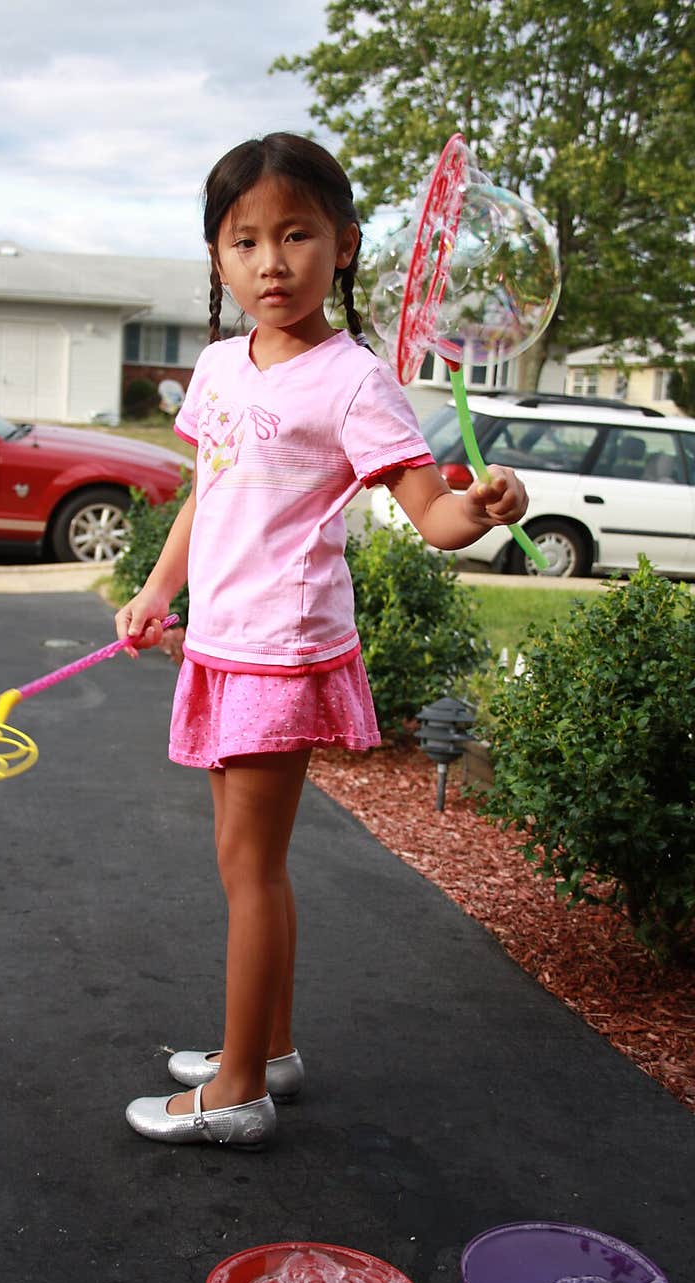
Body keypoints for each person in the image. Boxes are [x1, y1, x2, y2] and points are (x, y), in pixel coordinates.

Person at [114, 132, 528, 1150]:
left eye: (295, 234)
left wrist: (487, 509)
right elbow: (206, 495)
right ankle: (273, 1049)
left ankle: (239, 1089)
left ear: (341, 246)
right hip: (223, 641)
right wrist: (156, 590)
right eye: (244, 239)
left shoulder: (354, 382)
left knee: (248, 868)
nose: (270, 261)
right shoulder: (217, 367)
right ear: (216, 257)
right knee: (247, 863)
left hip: (282, 650)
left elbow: (432, 516)